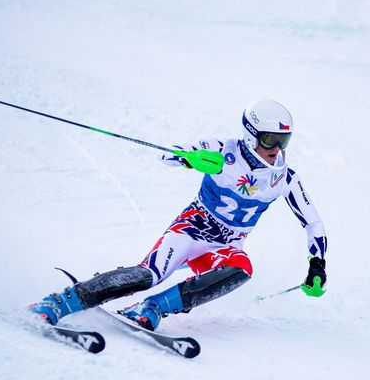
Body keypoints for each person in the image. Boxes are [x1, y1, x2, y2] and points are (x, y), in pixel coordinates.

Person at [29, 100, 328, 331]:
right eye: (269, 140)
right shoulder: (223, 150)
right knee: (150, 274)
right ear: (251, 136)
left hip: (225, 246)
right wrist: (191, 160)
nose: (276, 149)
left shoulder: (285, 178)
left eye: (283, 141)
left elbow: (312, 222)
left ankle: (152, 308)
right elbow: (167, 154)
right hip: (191, 231)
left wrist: (317, 264)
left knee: (241, 269)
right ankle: (61, 301)